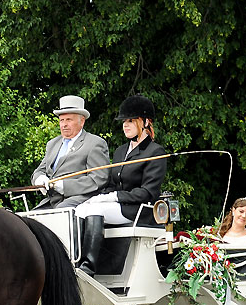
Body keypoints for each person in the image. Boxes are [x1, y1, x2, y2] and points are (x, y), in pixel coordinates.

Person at [73, 94, 167, 274]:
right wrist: (101, 196)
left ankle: (88, 266)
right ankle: (75, 260)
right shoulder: (120, 151)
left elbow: (148, 192)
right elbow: (111, 183)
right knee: (81, 209)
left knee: (95, 210)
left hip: (138, 209)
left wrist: (114, 197)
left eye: (131, 120)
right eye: (124, 121)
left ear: (146, 122)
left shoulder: (155, 152)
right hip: (118, 205)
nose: (125, 125)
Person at [30, 95, 109, 209]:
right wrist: (39, 178)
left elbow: (99, 179)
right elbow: (39, 171)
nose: (64, 124)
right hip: (52, 201)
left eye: (69, 120)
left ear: (82, 121)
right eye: (61, 120)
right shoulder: (52, 144)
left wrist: (65, 186)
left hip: (80, 199)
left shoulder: (95, 143)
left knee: (60, 214)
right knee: (27, 220)